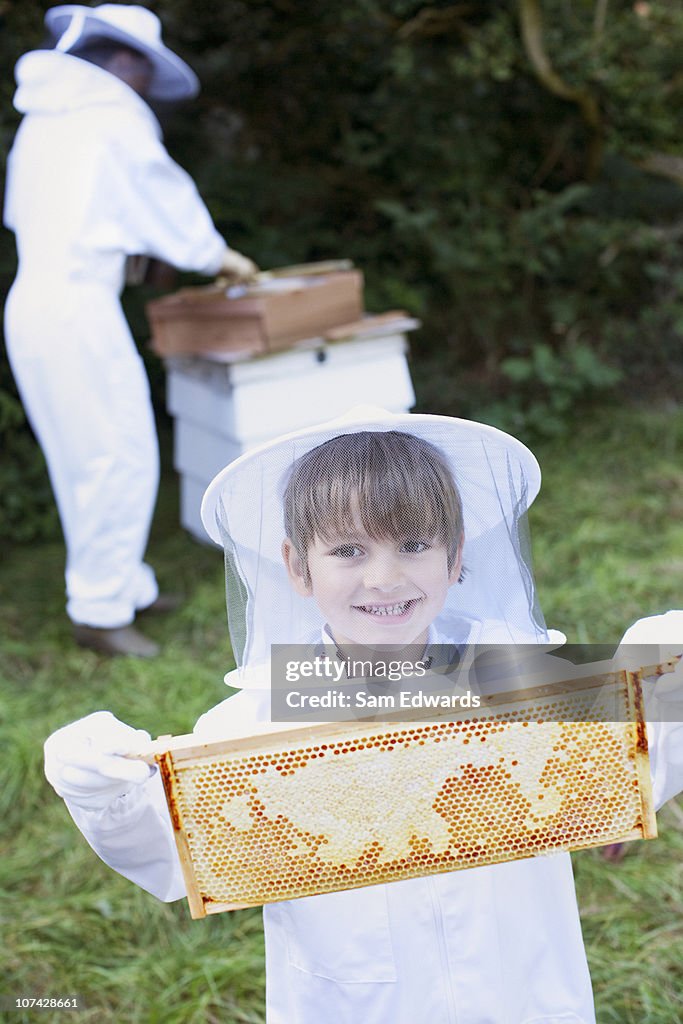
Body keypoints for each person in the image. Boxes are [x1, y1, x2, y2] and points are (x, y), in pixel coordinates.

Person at [43, 407, 683, 1023]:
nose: (383, 578)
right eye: (348, 550)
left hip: (522, 992)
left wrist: (657, 677)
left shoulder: (528, 687)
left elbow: (641, 755)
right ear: (297, 566)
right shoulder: (257, 722)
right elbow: (169, 845)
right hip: (357, 1003)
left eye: (412, 544)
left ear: (456, 557)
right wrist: (98, 783)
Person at [4, 4, 258, 658]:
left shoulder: (49, 122)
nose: (145, 86)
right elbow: (162, 197)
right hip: (74, 307)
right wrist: (217, 254)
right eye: (143, 70)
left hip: (41, 302)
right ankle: (100, 611)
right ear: (122, 61)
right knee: (112, 457)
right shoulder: (108, 120)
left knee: (92, 453)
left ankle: (125, 586)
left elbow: (80, 217)